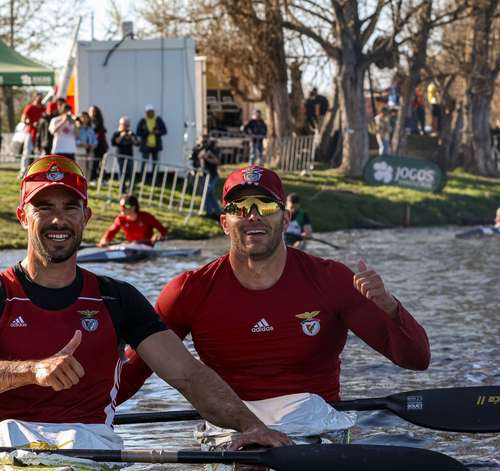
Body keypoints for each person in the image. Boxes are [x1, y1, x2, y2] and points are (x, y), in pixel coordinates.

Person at [0, 154, 289, 450]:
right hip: (6, 446)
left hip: (88, 446)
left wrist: (251, 425)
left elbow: (189, 376)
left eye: (71, 208)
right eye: (44, 207)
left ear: (86, 217)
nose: (58, 219)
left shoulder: (117, 298)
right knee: (6, 434)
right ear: (23, 216)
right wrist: (31, 371)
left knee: (85, 442)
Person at [117, 165, 430, 406]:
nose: (253, 217)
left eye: (265, 206)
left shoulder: (332, 279)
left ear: (286, 218)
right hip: (236, 430)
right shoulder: (188, 291)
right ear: (224, 223)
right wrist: (76, 413)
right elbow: (129, 374)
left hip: (314, 429)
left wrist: (390, 307)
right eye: (240, 208)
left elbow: (416, 360)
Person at [98, 194, 168, 247]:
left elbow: (163, 231)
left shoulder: (146, 217)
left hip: (147, 247)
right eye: (121, 206)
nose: (122, 209)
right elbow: (111, 232)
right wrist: (104, 240)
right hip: (131, 246)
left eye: (125, 206)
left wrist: (158, 237)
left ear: (133, 207)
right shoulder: (121, 219)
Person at [192, 136, 221, 218]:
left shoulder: (212, 150)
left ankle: (218, 212)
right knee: (207, 194)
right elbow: (199, 159)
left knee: (208, 193)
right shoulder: (201, 150)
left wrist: (207, 157)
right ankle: (210, 212)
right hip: (205, 175)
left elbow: (217, 161)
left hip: (213, 175)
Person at [19, 93, 44, 176]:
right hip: (30, 132)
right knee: (27, 152)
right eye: (38, 97)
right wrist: (29, 122)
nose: (40, 99)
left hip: (41, 134)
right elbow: (23, 118)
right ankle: (23, 171)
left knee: (39, 154)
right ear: (35, 98)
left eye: (41, 97)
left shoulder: (44, 108)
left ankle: (37, 172)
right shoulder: (30, 107)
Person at [111, 116, 139, 190]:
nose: (126, 127)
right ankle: (122, 188)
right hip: (120, 156)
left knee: (130, 173)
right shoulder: (117, 133)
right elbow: (113, 143)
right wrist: (121, 136)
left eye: (127, 125)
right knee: (121, 173)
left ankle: (131, 188)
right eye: (124, 125)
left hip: (129, 156)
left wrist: (131, 138)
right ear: (120, 124)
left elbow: (137, 143)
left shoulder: (131, 133)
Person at [89, 105, 108, 182]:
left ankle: (102, 178)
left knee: (102, 163)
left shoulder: (100, 122)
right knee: (94, 163)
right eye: (91, 111)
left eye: (94, 111)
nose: (93, 113)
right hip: (93, 145)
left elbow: (102, 132)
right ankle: (93, 178)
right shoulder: (89, 122)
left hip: (101, 145)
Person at [75, 111, 96, 177]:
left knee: (89, 169)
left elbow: (94, 140)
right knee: (81, 169)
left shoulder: (90, 129)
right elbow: (75, 140)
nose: (84, 119)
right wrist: (82, 144)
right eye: (82, 117)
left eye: (86, 117)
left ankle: (87, 184)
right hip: (80, 151)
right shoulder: (77, 129)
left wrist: (93, 145)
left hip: (90, 152)